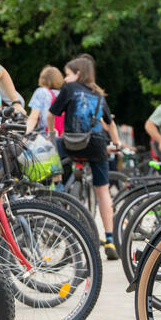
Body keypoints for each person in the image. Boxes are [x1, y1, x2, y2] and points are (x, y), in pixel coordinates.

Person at [48, 56, 125, 260]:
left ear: (78, 73)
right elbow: (110, 124)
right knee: (103, 190)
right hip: (97, 144)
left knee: (54, 158)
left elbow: (51, 113)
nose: (65, 79)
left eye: (67, 74)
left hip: (72, 144)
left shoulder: (70, 89)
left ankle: (57, 192)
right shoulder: (99, 94)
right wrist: (116, 144)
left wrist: (51, 133)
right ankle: (109, 238)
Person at [26, 65, 64, 134]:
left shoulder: (41, 92)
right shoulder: (63, 94)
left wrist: (26, 133)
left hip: (45, 136)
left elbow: (33, 117)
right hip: (61, 136)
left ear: (42, 79)